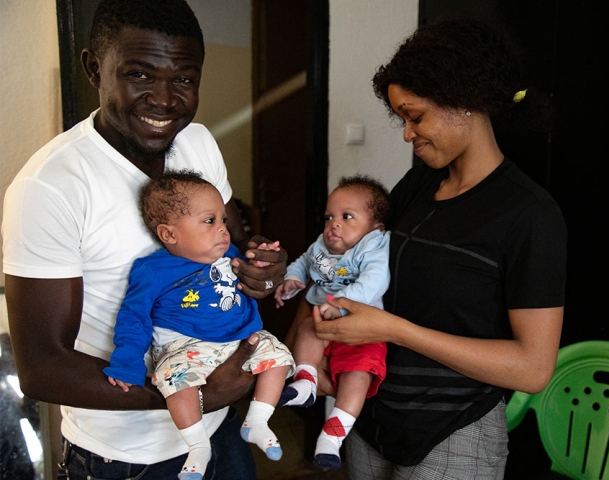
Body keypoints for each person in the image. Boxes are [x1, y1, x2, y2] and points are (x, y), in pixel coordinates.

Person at [1, 1, 287, 479]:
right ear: (95, 68)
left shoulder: (197, 142)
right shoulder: (51, 186)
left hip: (223, 435)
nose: (165, 100)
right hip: (125, 459)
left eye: (184, 79)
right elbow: (43, 368)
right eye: (139, 74)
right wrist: (191, 392)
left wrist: (260, 269)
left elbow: (233, 244)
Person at [307, 18, 567, 479]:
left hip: (452, 434)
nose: (407, 134)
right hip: (370, 419)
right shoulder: (418, 185)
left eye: (416, 116)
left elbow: (533, 368)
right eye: (402, 119)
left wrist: (398, 330)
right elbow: (359, 267)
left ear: (464, 102)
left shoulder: (529, 214)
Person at [103, 170, 295, 479]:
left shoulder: (230, 254)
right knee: (176, 380)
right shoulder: (153, 271)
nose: (223, 229)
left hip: (239, 338)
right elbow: (133, 318)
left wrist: (260, 263)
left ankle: (258, 420)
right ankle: (197, 445)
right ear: (169, 234)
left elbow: (252, 275)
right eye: (210, 221)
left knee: (279, 358)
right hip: (186, 345)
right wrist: (126, 364)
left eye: (223, 220)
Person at [274, 175, 391, 470]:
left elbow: (375, 282)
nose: (333, 225)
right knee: (306, 330)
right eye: (329, 217)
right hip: (322, 323)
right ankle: (305, 380)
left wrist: (339, 306)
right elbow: (304, 261)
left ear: (373, 228)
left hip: (360, 331)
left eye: (347, 217)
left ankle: (333, 434)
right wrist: (292, 279)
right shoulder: (321, 247)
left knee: (359, 374)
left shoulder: (372, 248)